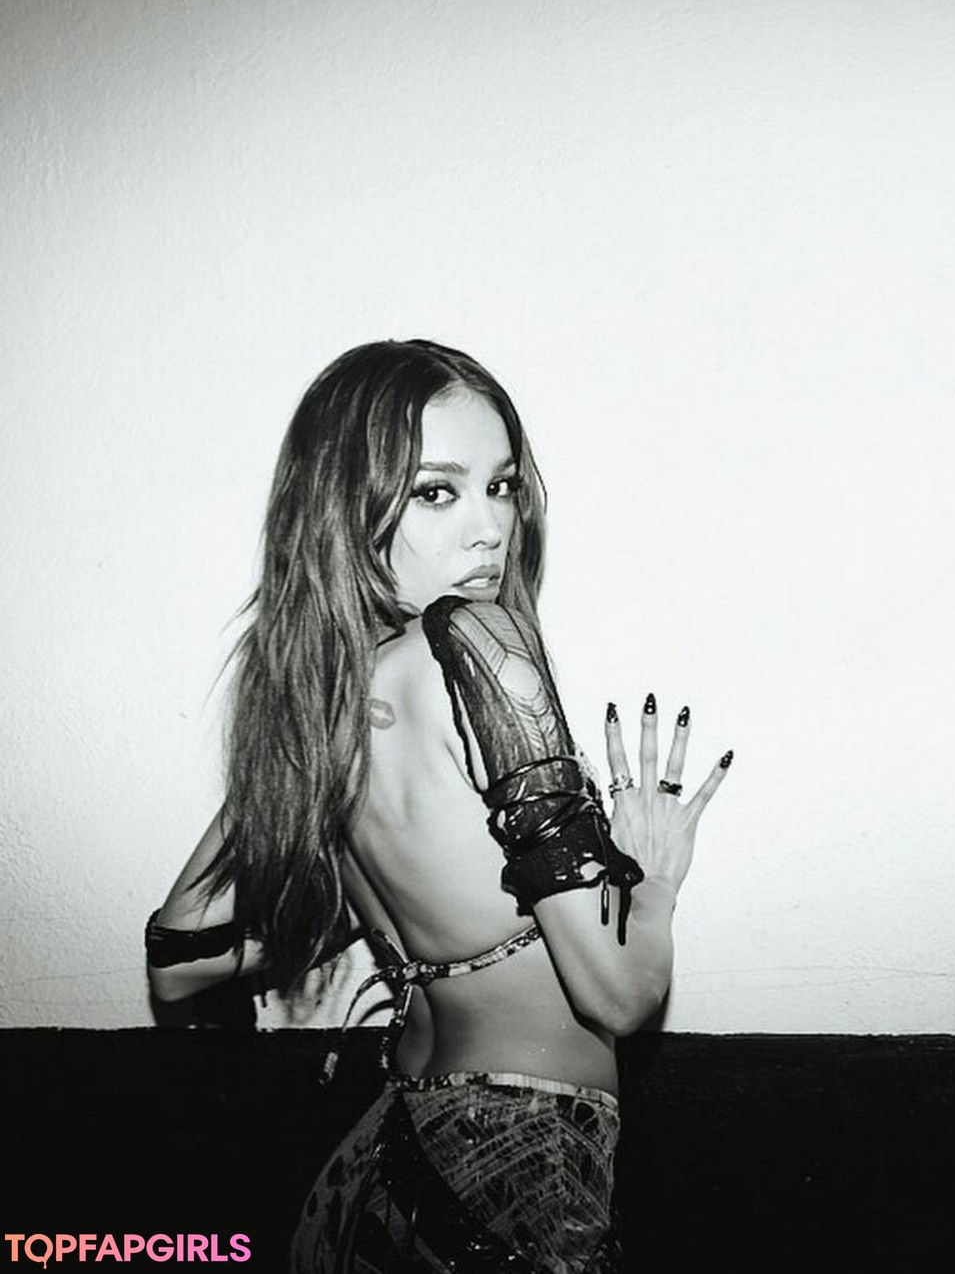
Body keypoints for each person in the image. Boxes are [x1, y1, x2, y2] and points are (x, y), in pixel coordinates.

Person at [146, 339, 733, 1273]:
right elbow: (620, 996)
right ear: (348, 508)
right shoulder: (483, 643)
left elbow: (180, 959)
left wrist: (364, 902)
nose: (489, 528)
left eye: (502, 487)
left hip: (374, 1172)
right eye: (436, 492)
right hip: (520, 1165)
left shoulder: (325, 703)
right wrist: (653, 879)